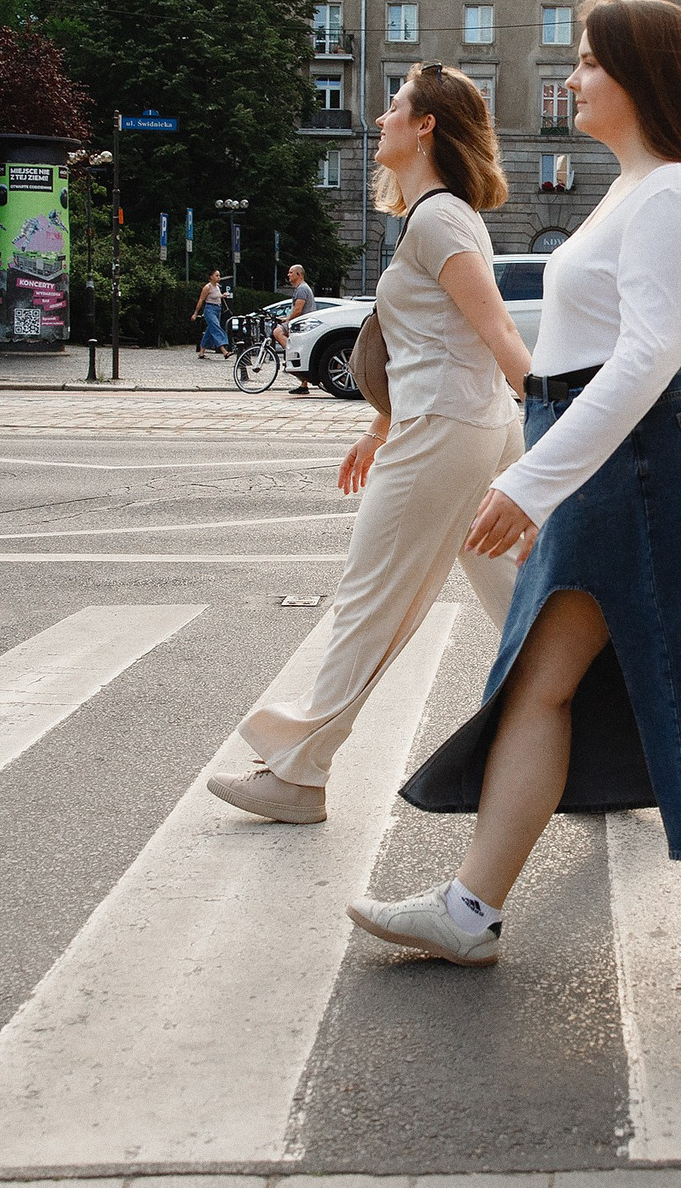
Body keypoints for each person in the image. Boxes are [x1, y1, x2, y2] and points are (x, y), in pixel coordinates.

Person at [360, 0, 681, 972]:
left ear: (639, 75)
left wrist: (532, 482)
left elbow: (643, 364)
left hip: (654, 460)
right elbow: (589, 345)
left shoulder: (674, 193)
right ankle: (471, 909)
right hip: (622, 462)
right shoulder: (639, 187)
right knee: (546, 684)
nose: (572, 77)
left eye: (591, 61)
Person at [209, 66, 533, 825]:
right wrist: (379, 424)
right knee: (521, 598)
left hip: (446, 435)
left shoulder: (439, 221)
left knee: (370, 601)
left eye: (394, 106)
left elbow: (499, 334)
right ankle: (611, 738)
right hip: (464, 427)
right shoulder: (435, 218)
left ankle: (297, 773)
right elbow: (437, 341)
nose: (381, 117)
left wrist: (566, 426)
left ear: (426, 127)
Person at [282, 263, 318, 395]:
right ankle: (303, 384)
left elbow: (298, 310)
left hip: (301, 324)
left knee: (277, 331)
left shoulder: (301, 289)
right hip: (302, 324)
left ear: (299, 274)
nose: (288, 275)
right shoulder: (302, 288)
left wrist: (287, 320)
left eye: (291, 272)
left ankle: (291, 352)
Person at [192, 270, 230, 358]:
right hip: (210, 310)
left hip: (218, 309)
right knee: (216, 328)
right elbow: (201, 300)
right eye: (216, 275)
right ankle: (224, 351)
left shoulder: (217, 286)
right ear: (211, 277)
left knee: (210, 330)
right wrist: (195, 313)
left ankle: (201, 352)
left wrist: (222, 295)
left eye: (219, 276)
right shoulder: (207, 287)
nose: (218, 277)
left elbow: (216, 296)